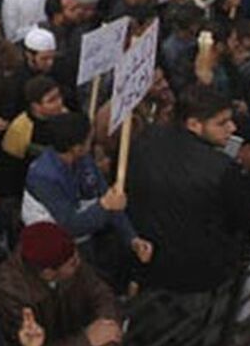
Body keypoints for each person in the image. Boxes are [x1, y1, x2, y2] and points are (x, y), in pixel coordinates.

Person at [126, 86, 250, 293]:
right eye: (222, 123)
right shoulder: (221, 168)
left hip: (148, 262)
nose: (232, 128)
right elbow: (249, 217)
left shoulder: (145, 140)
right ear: (194, 124)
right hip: (202, 269)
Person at [0, 222, 122, 346]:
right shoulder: (12, 294)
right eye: (72, 263)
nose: (78, 262)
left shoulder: (68, 258)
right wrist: (87, 341)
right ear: (48, 273)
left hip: (77, 345)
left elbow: (101, 295)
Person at [22, 113, 152, 281]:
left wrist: (132, 238)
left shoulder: (84, 161)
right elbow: (71, 225)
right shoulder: (43, 177)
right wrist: (104, 206)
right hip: (62, 246)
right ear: (76, 147)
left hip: (89, 229)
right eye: (89, 139)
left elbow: (109, 197)